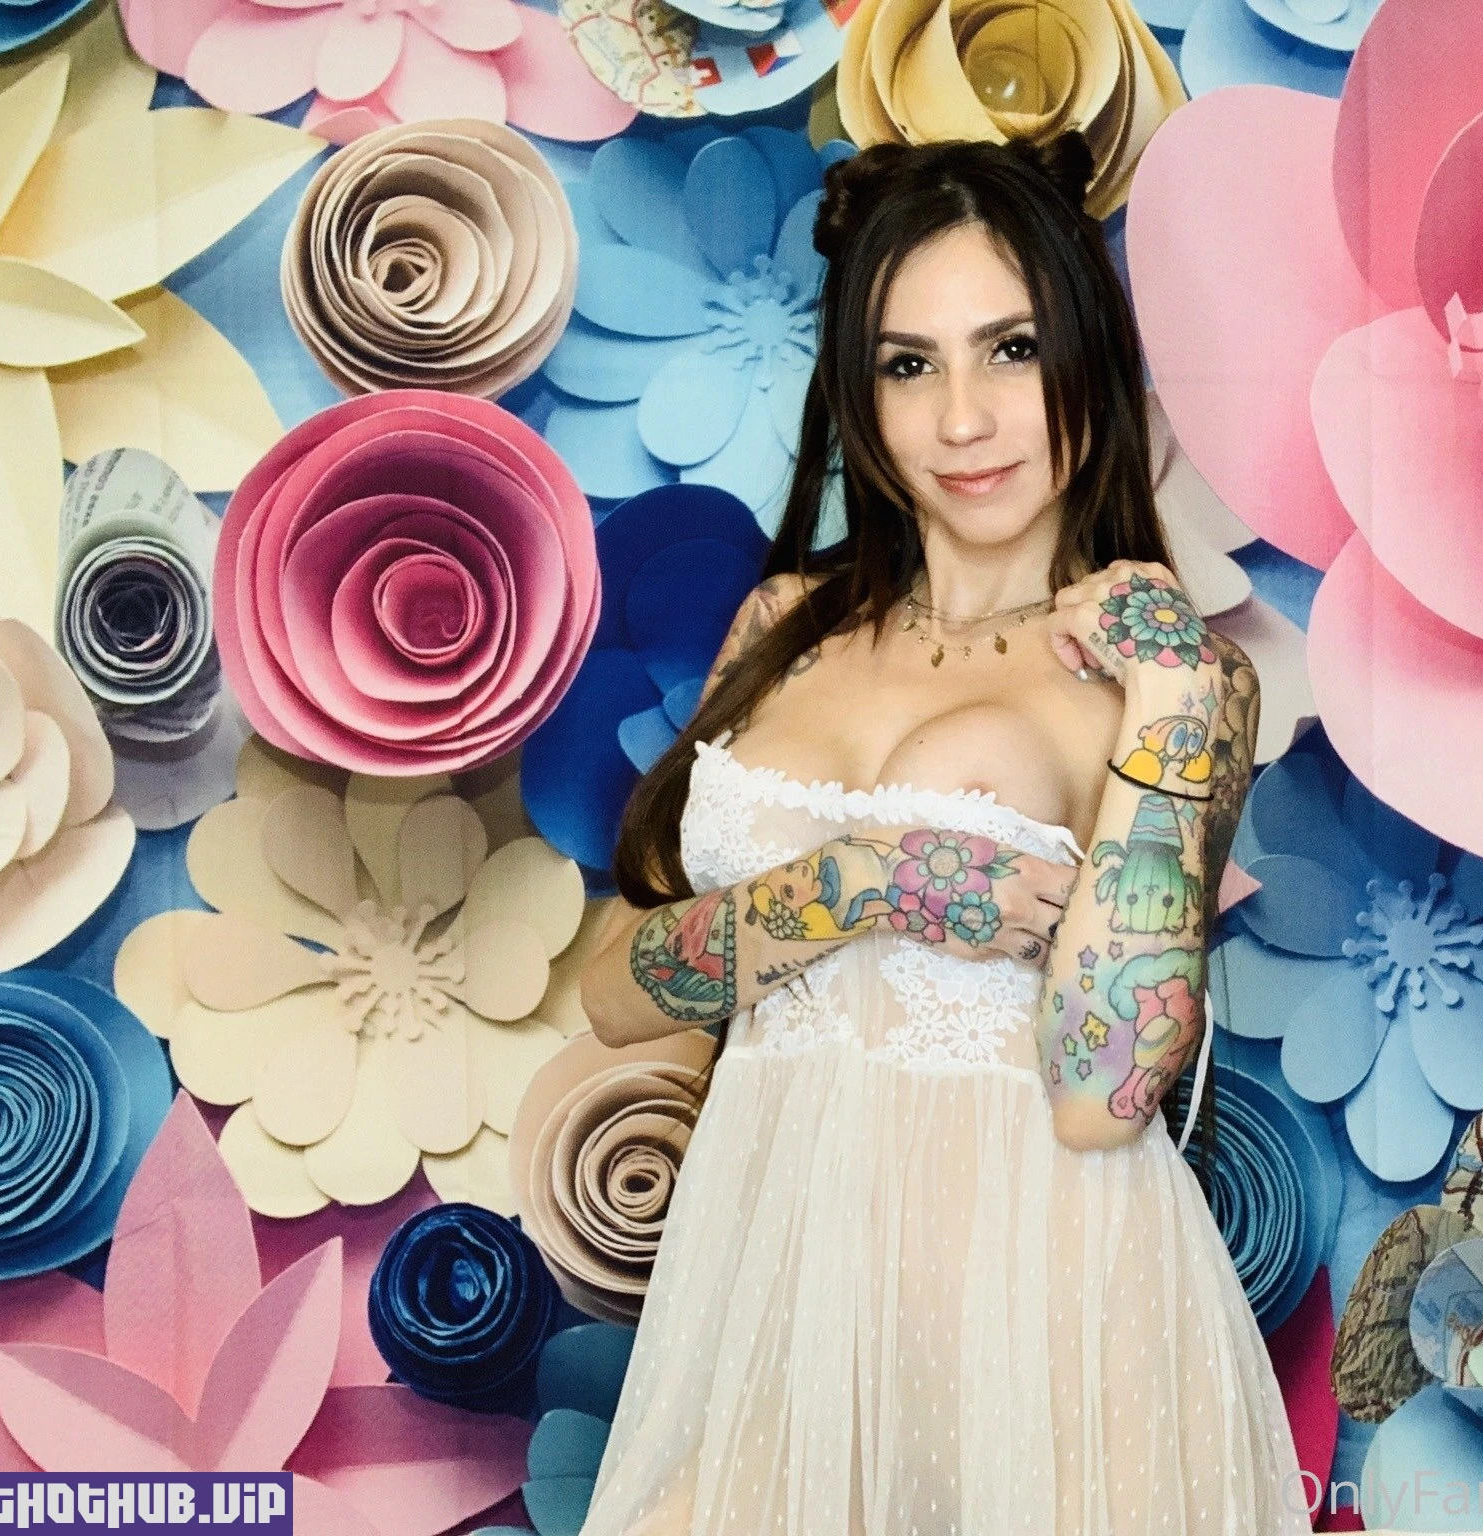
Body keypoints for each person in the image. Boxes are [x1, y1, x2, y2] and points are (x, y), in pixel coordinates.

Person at [576, 130, 1310, 1535]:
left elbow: (1105, 1092)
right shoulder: (786, 625)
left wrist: (1168, 692)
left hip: (1050, 1323)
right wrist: (863, 885)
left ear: (1088, 355)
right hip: (776, 1317)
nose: (964, 420)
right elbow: (616, 995)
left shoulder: (1176, 683)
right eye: (910, 365)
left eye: (1011, 350)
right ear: (859, 393)